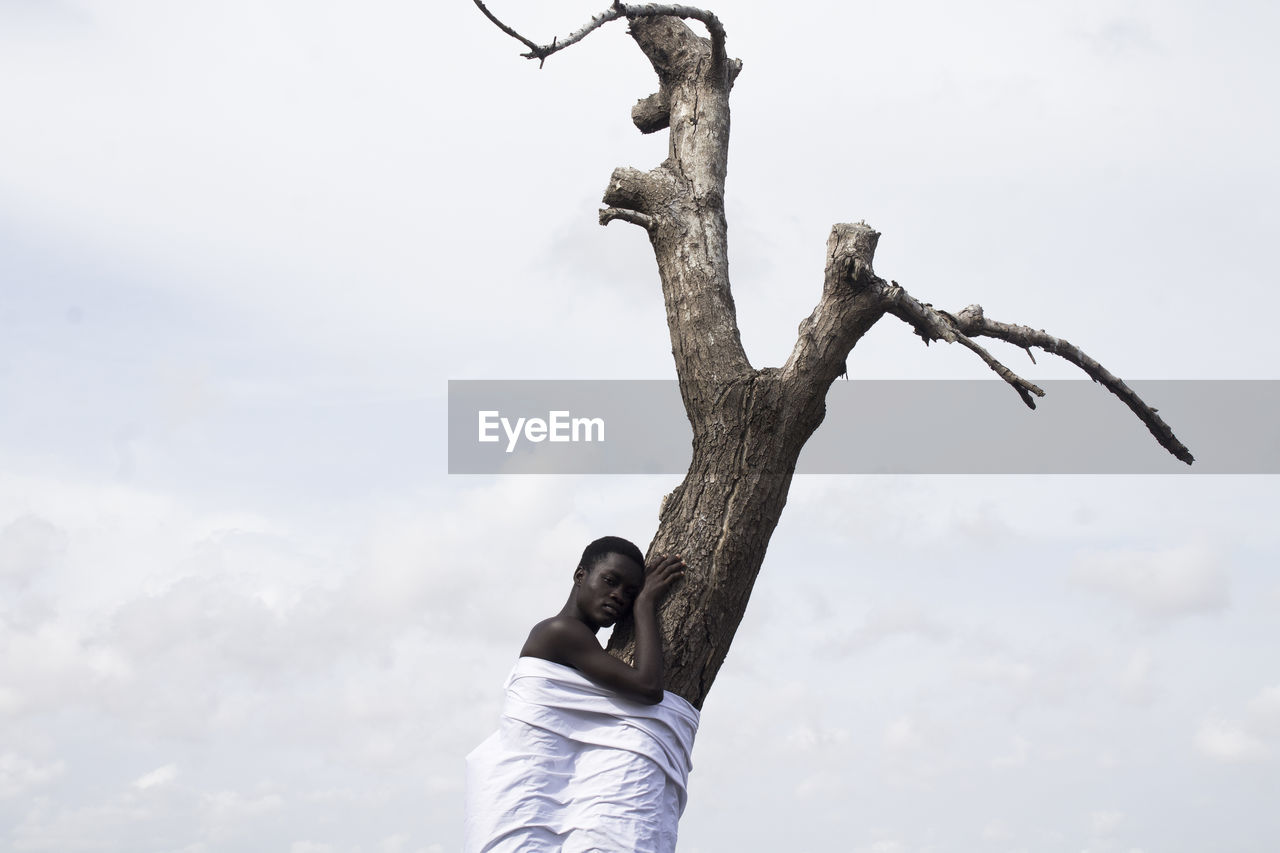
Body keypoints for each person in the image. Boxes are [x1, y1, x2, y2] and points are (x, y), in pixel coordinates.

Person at [463, 537, 697, 853]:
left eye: (631, 593)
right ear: (580, 576)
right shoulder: (561, 631)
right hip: (527, 788)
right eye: (610, 581)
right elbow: (648, 687)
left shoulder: (580, 643)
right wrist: (644, 605)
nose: (619, 596)